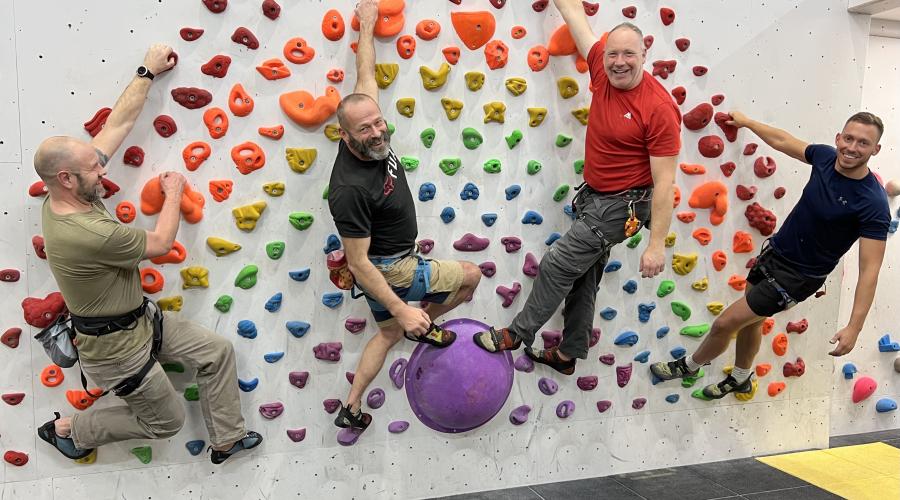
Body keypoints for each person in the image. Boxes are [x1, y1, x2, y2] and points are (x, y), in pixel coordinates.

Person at [33, 44, 261, 464]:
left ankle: (226, 439)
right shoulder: (86, 230)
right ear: (66, 177)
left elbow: (116, 125)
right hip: (115, 350)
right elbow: (158, 245)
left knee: (217, 352)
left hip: (140, 320)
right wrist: (174, 191)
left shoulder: (65, 193)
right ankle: (70, 429)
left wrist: (147, 71)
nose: (104, 170)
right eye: (95, 169)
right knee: (166, 423)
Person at [472, 0, 682, 375]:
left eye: (629, 54)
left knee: (555, 265)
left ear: (645, 54)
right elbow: (574, 16)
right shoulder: (604, 69)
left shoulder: (658, 108)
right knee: (582, 277)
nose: (619, 61)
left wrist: (655, 245)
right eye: (613, 53)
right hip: (595, 199)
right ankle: (568, 355)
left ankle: (517, 334)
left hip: (621, 208)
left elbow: (665, 183)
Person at [651, 111, 891, 399]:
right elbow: (783, 140)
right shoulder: (826, 158)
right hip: (775, 254)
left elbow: (870, 271)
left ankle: (689, 366)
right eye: (848, 138)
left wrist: (854, 327)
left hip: (799, 277)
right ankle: (740, 377)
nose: (852, 148)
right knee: (750, 321)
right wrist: (748, 123)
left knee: (725, 324)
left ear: (875, 150)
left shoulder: (873, 203)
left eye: (863, 143)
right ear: (838, 138)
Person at [326, 0, 482, 431]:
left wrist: (368, 24)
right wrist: (407, 309)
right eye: (365, 129)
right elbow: (358, 264)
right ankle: (424, 324)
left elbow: (365, 75)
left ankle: (352, 406)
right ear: (345, 135)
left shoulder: (366, 122)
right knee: (470, 275)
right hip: (390, 269)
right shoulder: (349, 188)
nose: (377, 133)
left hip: (388, 267)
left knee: (388, 333)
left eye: (378, 123)